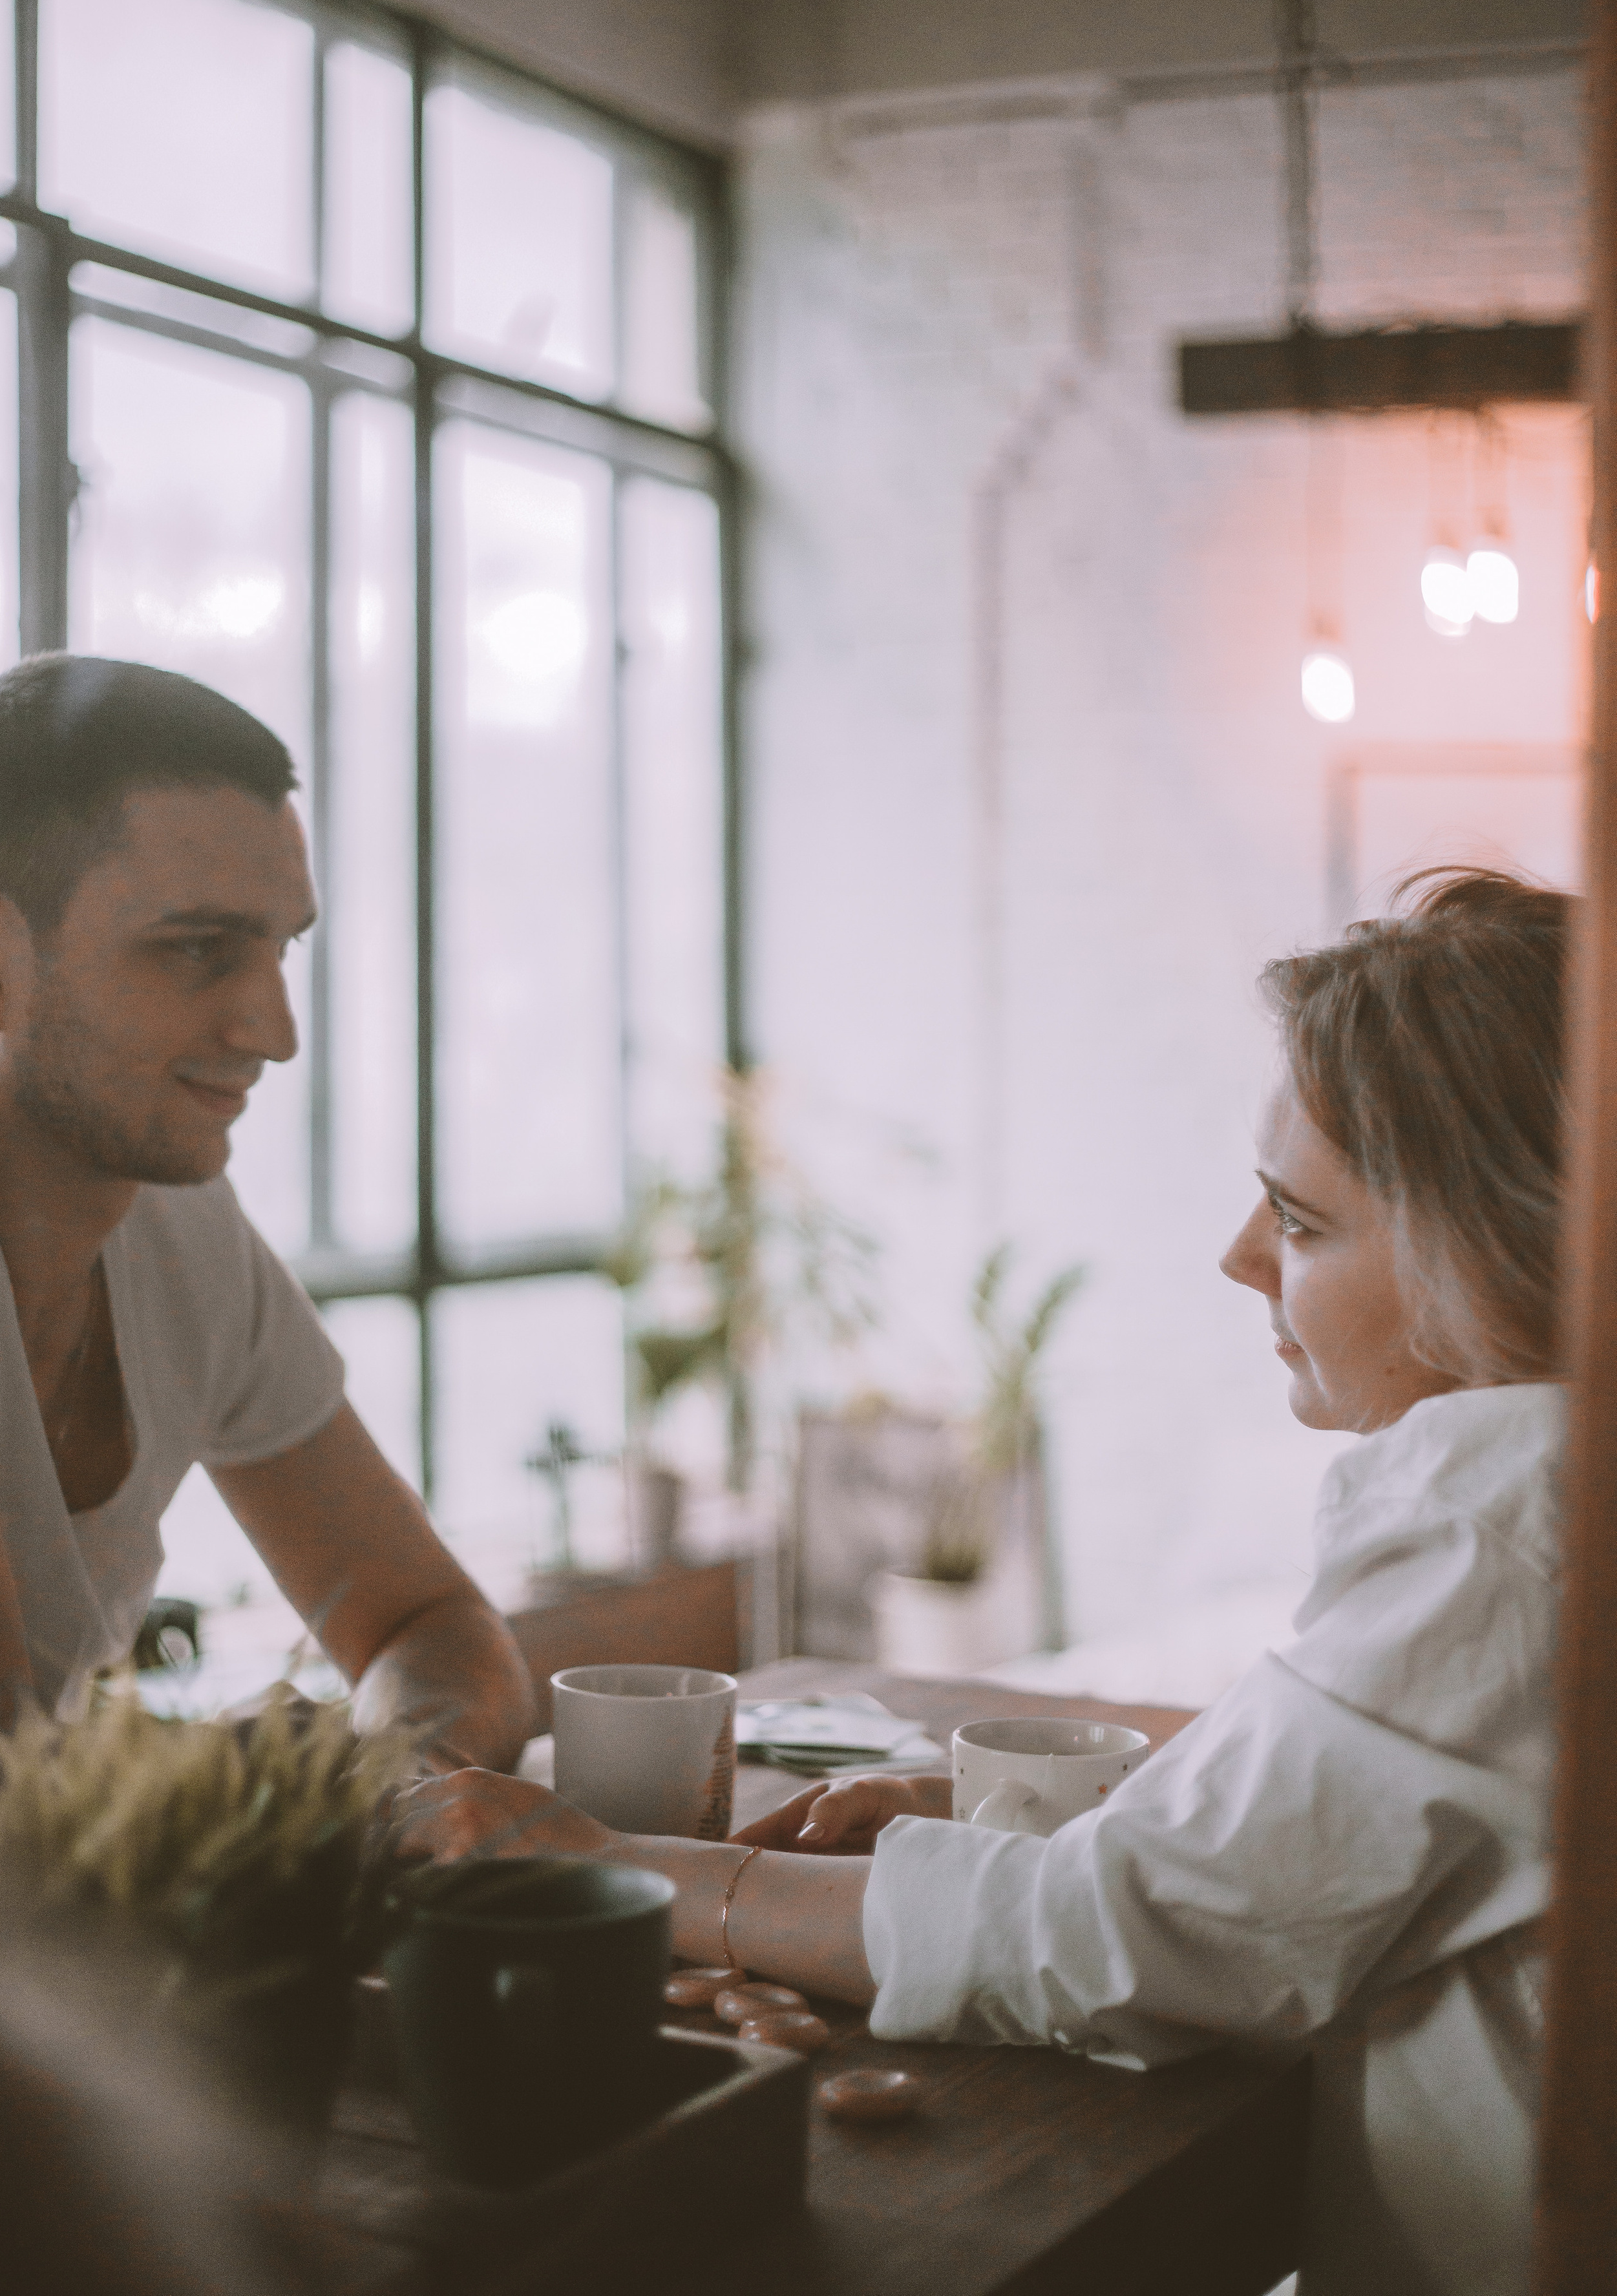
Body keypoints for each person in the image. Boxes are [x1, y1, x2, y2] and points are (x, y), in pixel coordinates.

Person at [400, 869, 1565, 2296]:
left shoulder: (1502, 1493)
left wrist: (619, 1872)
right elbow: (1381, 1793)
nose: (1237, 1254)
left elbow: (1111, 1937)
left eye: (1302, 1222)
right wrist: (1099, 1802)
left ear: (1495, 1245)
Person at [0, 653, 535, 1767]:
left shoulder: (180, 1226)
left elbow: (437, 1628)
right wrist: (264, 1781)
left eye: (281, 951)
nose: (275, 1033)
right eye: (196, 951)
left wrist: (397, 1785)